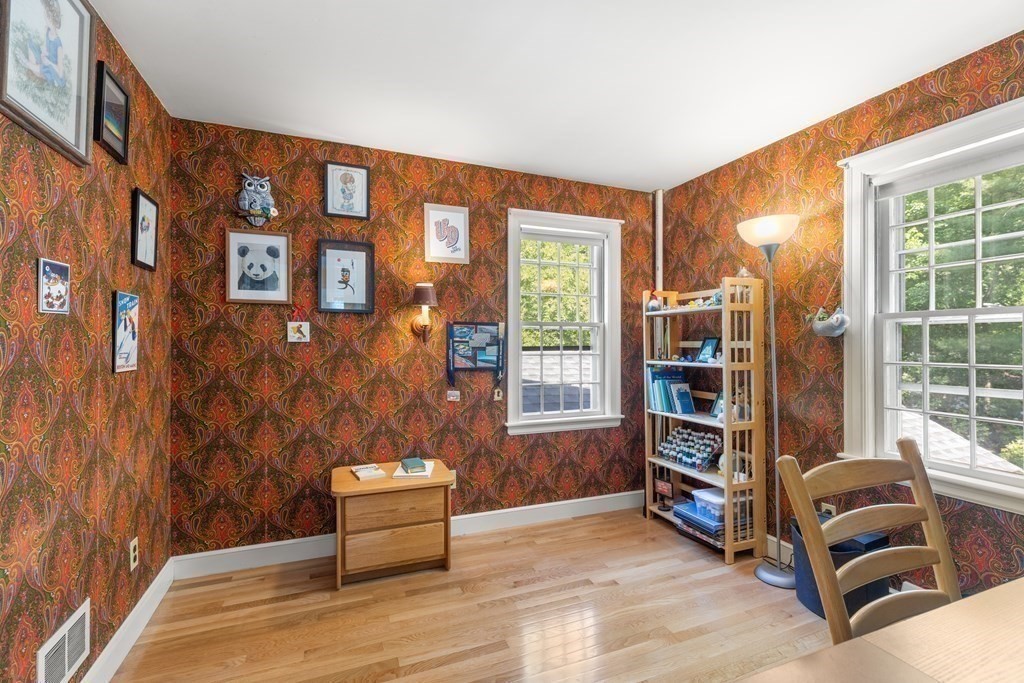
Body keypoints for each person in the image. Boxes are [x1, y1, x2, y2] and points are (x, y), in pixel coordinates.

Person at [24, 0, 66, 88]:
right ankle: (35, 70)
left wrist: (50, 62)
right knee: (31, 44)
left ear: (51, 17)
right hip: (46, 61)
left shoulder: (58, 45)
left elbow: (60, 72)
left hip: (53, 72)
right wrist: (44, 53)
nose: (44, 16)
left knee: (48, 68)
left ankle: (28, 64)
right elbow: (46, 48)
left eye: (46, 14)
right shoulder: (47, 30)